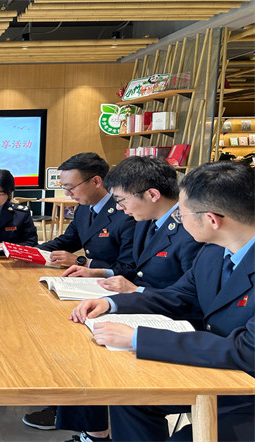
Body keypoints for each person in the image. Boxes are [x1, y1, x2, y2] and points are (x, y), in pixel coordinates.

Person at [71, 161, 254, 442]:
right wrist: (112, 303)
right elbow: (178, 296)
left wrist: (138, 337)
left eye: (181, 214)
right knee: (130, 396)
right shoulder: (214, 252)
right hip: (221, 370)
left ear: (212, 220)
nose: (177, 221)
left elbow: (247, 350)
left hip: (246, 391)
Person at [52, 156, 204, 442]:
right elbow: (138, 269)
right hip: (144, 305)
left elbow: (189, 295)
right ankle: (92, 431)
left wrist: (133, 292)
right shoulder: (146, 220)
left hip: (175, 320)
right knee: (81, 333)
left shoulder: (192, 231)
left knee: (107, 366)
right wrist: (114, 298)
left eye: (121, 200)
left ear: (152, 195)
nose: (119, 208)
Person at [24, 153, 136, 431]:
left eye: (70, 187)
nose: (67, 194)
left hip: (114, 294)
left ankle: (84, 422)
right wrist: (19, 251)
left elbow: (130, 267)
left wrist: (85, 262)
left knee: (76, 345)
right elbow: (66, 241)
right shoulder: (85, 208)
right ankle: (66, 406)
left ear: (96, 181)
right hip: (83, 288)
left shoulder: (125, 212)